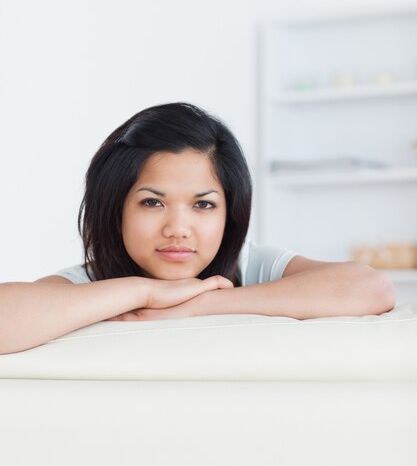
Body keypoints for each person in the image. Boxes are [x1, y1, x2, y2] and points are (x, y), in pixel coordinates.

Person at [0, 102, 396, 355]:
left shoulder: (253, 265)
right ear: (115, 208)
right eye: (152, 202)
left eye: (203, 204)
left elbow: (372, 288)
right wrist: (147, 292)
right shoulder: (93, 282)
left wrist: (196, 306)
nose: (178, 228)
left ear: (230, 213)